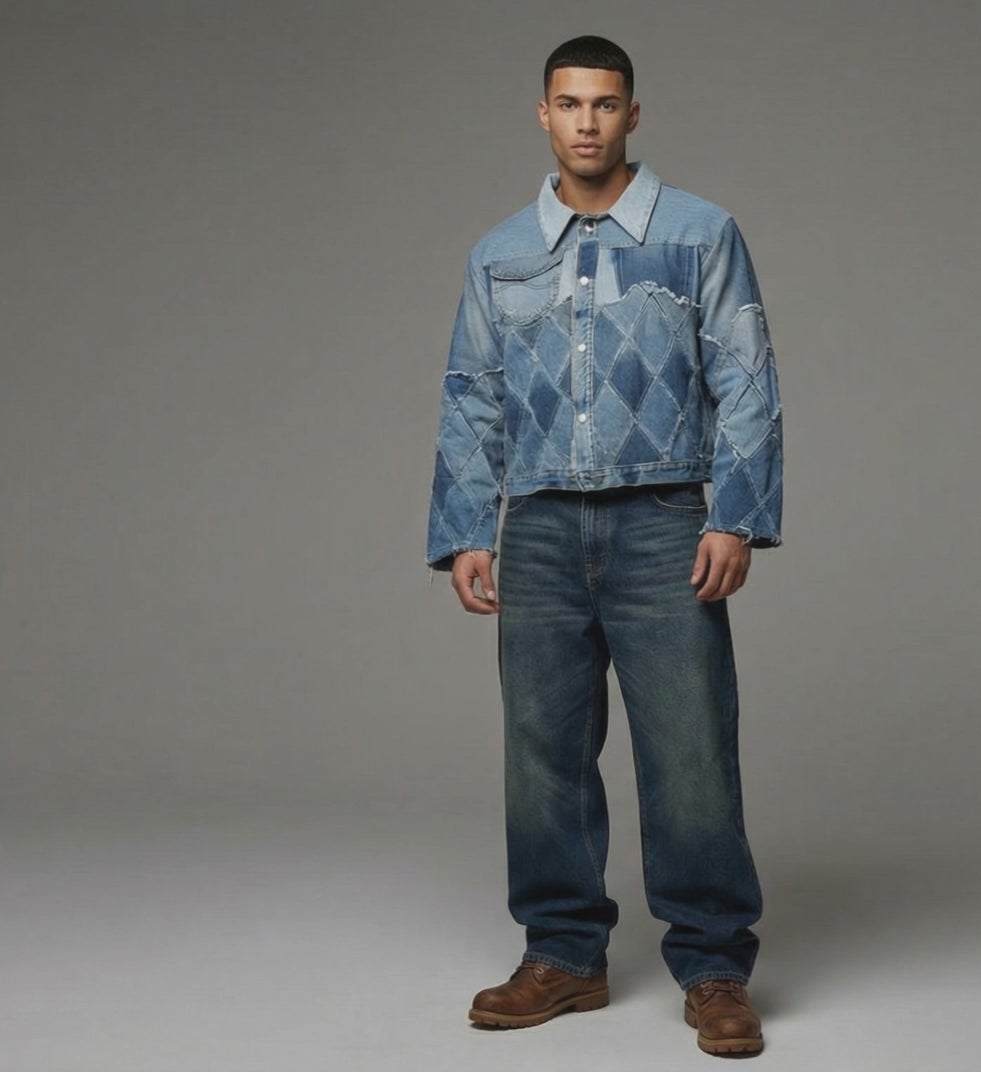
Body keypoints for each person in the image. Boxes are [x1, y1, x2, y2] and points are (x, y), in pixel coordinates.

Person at [424, 34, 783, 1058]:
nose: (587, 122)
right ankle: (562, 954)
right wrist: (466, 531)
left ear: (633, 114)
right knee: (542, 753)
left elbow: (746, 376)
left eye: (605, 103)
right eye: (569, 104)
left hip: (662, 522)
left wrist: (734, 514)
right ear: (543, 114)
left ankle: (713, 967)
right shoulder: (500, 251)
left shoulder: (699, 232)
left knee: (690, 751)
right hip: (537, 526)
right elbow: (471, 393)